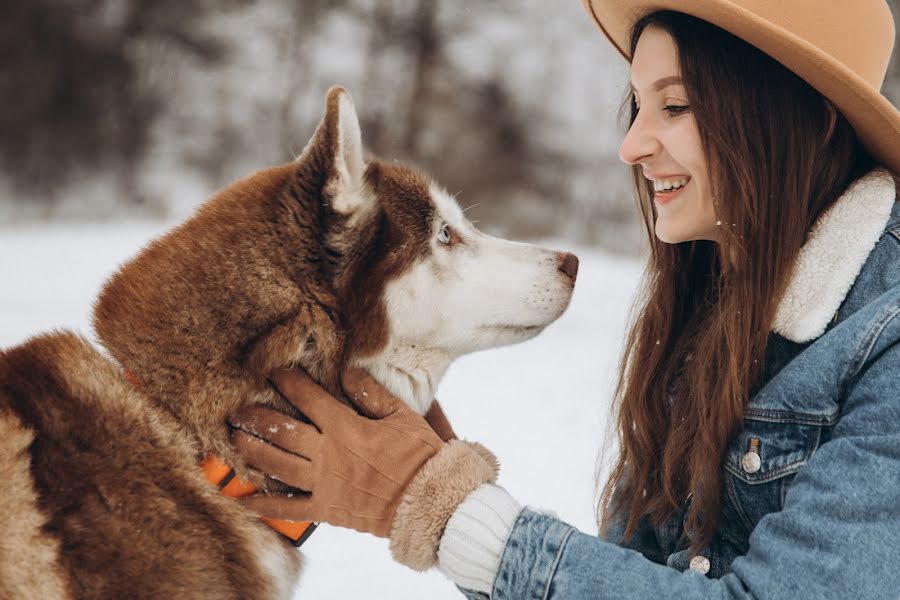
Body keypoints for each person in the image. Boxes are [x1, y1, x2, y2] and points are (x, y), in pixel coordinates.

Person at [229, 1, 900, 597]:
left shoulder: (888, 343)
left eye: (675, 105)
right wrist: (436, 493)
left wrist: (438, 506)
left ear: (806, 121)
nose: (632, 145)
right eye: (638, 106)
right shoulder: (709, 308)